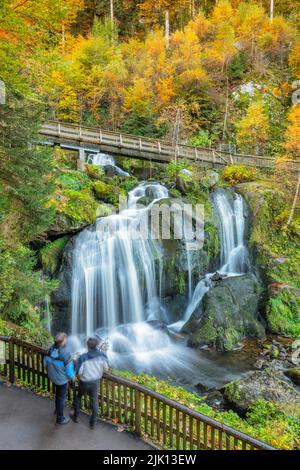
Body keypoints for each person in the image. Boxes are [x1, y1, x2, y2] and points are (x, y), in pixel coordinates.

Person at [72, 337, 109, 429]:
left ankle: (76, 415)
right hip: (95, 382)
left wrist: (81, 376)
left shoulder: (83, 357)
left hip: (84, 381)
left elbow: (79, 372)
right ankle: (92, 423)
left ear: (87, 346)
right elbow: (106, 368)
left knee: (79, 396)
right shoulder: (102, 356)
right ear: (96, 346)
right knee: (94, 401)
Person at [44, 332, 75, 425]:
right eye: (65, 339)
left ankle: (57, 409)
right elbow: (69, 373)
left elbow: (45, 363)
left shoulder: (49, 350)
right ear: (63, 341)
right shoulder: (65, 355)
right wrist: (73, 379)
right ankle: (60, 418)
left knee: (58, 395)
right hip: (61, 380)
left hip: (52, 376)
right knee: (61, 397)